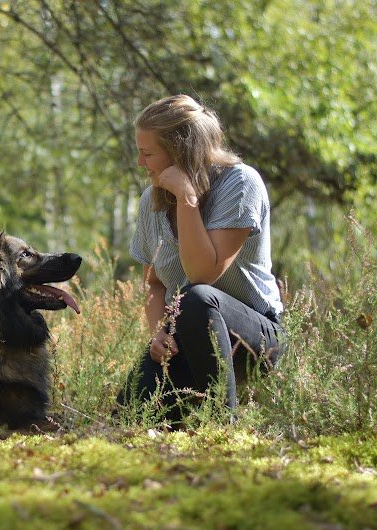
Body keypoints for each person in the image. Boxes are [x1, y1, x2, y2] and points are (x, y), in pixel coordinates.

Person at [115, 94, 284, 426]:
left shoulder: (241, 182)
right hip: (186, 338)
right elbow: (154, 283)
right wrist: (157, 334)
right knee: (126, 420)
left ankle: (223, 426)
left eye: (147, 153)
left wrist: (187, 199)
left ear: (180, 153)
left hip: (255, 339)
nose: (140, 162)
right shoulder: (151, 199)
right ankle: (183, 429)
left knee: (195, 298)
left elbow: (202, 273)